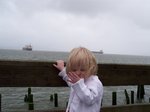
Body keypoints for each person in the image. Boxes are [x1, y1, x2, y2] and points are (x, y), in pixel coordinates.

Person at [53, 47, 103, 112]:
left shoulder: (94, 82)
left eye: (82, 70)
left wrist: (79, 83)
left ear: (91, 67)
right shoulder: (77, 80)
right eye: (74, 70)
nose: (78, 73)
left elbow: (90, 99)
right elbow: (70, 80)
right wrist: (63, 69)